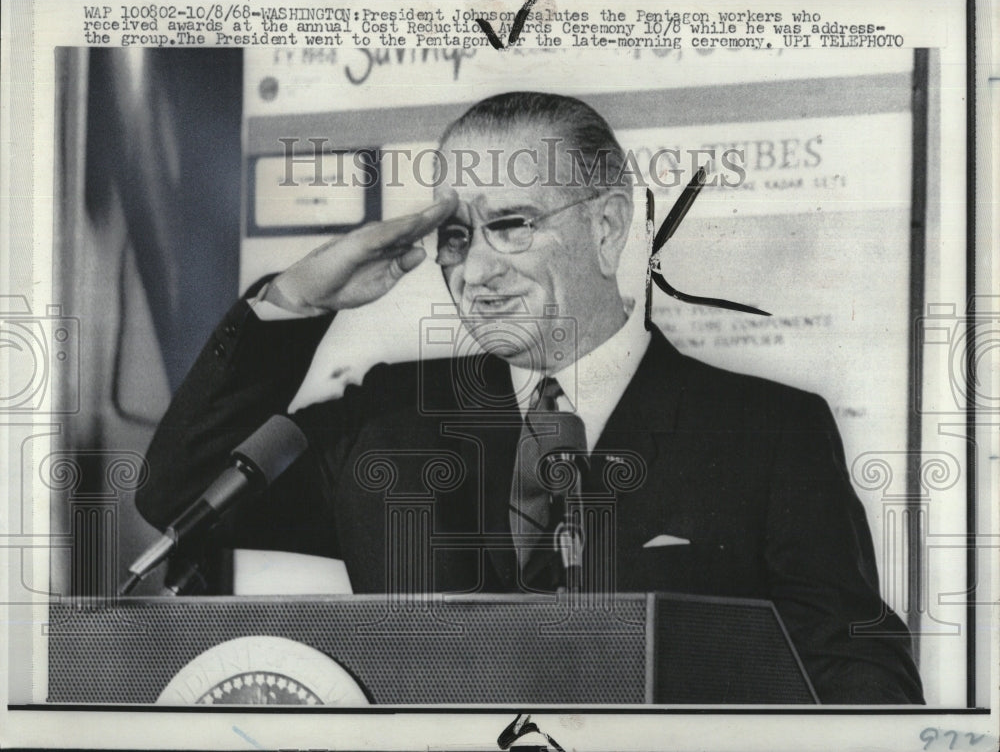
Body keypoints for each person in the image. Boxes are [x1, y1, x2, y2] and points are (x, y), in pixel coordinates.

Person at [137, 91, 923, 704]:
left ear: (609, 227)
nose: (475, 273)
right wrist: (295, 300)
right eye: (454, 237)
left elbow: (856, 673)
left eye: (509, 225)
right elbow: (183, 489)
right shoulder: (388, 423)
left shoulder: (767, 432)